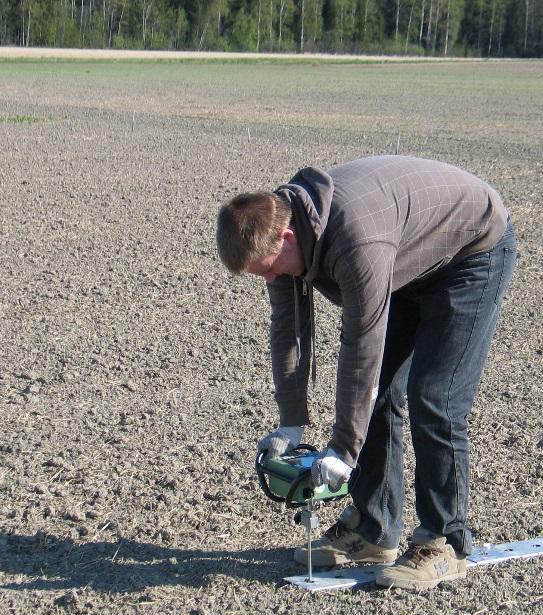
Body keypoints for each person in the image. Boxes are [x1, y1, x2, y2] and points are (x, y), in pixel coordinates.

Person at [216, 155, 517, 590]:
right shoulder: (282, 236)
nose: (271, 279)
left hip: (471, 253)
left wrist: (342, 450)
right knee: (376, 398)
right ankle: (373, 528)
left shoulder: (355, 241)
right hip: (410, 257)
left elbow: (363, 347)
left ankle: (445, 541)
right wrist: (292, 423)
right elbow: (288, 332)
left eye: (269, 269)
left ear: (285, 236)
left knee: (436, 398)